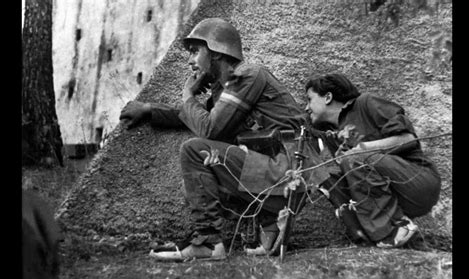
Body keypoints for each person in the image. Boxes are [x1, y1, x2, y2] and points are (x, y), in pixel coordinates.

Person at [119, 18, 330, 261]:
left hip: (290, 169)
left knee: (194, 152)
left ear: (217, 52)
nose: (190, 61)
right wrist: (149, 109)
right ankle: (270, 226)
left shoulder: (247, 76)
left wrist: (188, 94)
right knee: (202, 179)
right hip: (278, 173)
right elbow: (193, 116)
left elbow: (208, 129)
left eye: (195, 51)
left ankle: (209, 242)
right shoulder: (227, 89)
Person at [305, 72, 441, 248]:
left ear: (328, 97)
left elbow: (407, 139)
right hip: (392, 195)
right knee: (326, 175)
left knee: (354, 158)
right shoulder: (331, 133)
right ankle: (379, 239)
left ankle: (393, 232)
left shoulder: (366, 103)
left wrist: (360, 150)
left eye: (309, 99)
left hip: (417, 181)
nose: (306, 108)